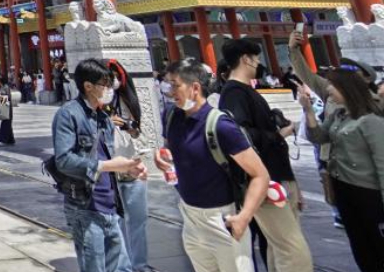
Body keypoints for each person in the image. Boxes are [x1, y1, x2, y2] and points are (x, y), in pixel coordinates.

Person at [154, 58, 270, 272]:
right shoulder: (171, 116)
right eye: (168, 84)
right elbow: (171, 148)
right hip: (189, 217)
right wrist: (162, 158)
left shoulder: (221, 126)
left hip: (222, 219)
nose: (169, 91)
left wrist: (244, 217)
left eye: (175, 85)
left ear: (195, 88)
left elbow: (261, 175)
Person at [217, 39, 312, 272]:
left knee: (278, 246)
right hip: (265, 180)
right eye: (256, 58)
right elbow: (240, 135)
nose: (259, 63)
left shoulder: (246, 91)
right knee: (292, 248)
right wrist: (279, 134)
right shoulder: (234, 93)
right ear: (246, 59)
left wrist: (294, 184)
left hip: (277, 175)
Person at [299, 69, 384, 272]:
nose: (329, 90)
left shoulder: (372, 122)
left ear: (347, 89)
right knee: (362, 248)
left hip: (369, 193)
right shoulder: (339, 116)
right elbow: (318, 137)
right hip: (345, 190)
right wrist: (308, 111)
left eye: (333, 86)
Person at [51, 60, 143, 272]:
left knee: (122, 267)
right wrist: (106, 165)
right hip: (85, 206)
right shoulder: (68, 114)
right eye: (105, 84)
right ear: (88, 86)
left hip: (110, 204)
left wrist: (127, 168)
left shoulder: (104, 118)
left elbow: (108, 157)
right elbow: (63, 160)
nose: (110, 89)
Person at [107, 59, 150, 272]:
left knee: (138, 219)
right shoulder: (97, 103)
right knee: (114, 222)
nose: (112, 81)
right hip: (109, 169)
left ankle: (139, 265)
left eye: (115, 75)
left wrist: (130, 127)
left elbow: (139, 133)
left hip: (133, 165)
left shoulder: (128, 100)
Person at [0, 77, 15, 145]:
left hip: (6, 106)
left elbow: (7, 97)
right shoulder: (4, 87)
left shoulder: (5, 87)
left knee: (5, 123)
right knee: (7, 123)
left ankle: (3, 140)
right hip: (5, 105)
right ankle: (10, 139)